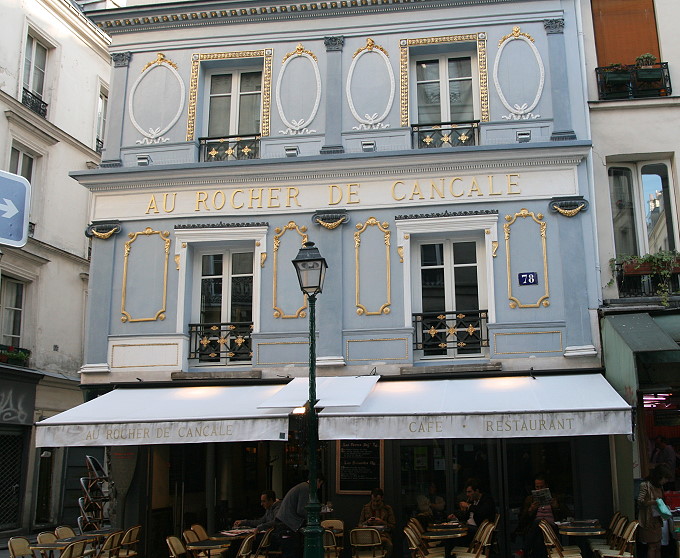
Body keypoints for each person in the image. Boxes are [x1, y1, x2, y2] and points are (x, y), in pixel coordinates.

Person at [516, 474, 569, 558]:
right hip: (536, 529)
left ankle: (524, 550)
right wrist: (530, 510)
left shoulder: (554, 497)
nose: (539, 489)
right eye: (537, 487)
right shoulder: (530, 499)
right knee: (539, 535)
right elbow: (522, 520)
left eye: (542, 487)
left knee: (539, 523)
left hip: (551, 527)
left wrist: (557, 507)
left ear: (546, 486)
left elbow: (567, 515)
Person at [273, 475, 324, 558]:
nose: (318, 488)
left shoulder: (301, 487)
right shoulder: (306, 489)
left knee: (291, 551)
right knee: (291, 552)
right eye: (320, 484)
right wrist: (313, 519)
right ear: (317, 480)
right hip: (288, 525)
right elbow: (301, 510)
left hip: (285, 524)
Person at [447, 479, 496, 551]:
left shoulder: (487, 499)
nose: (467, 494)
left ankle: (448, 551)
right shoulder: (472, 501)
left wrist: (469, 506)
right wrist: (455, 516)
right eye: (467, 492)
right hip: (470, 527)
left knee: (457, 533)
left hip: (479, 530)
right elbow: (467, 516)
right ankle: (447, 549)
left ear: (477, 491)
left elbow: (482, 512)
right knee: (453, 527)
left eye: (470, 492)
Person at [638, 463, 673, 558]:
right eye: (665, 478)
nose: (666, 481)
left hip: (657, 520)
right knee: (652, 546)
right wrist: (654, 502)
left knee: (658, 545)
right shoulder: (645, 485)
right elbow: (640, 501)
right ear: (659, 476)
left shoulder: (660, 487)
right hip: (648, 521)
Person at [358, 487, 396, 558]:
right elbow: (360, 524)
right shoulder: (366, 508)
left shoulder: (387, 509)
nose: (375, 503)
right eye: (373, 501)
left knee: (389, 545)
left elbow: (393, 526)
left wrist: (382, 522)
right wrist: (367, 522)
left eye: (378, 501)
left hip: (382, 535)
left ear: (382, 498)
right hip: (367, 535)